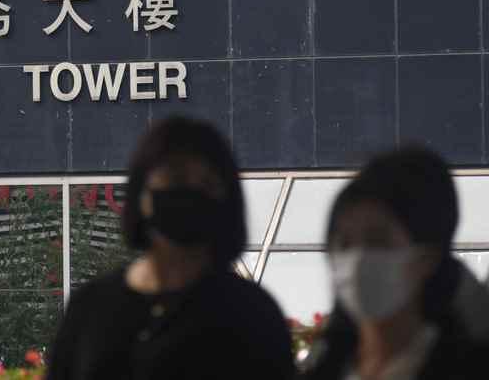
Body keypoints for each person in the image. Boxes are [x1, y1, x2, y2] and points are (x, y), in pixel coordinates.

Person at [47, 117, 294, 380]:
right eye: (176, 178)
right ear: (141, 193)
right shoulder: (90, 308)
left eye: (207, 184)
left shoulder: (252, 315)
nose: (190, 191)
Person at [301, 147, 487, 380]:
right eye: (345, 244)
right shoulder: (324, 367)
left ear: (427, 257)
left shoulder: (469, 366)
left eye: (378, 241)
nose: (358, 259)